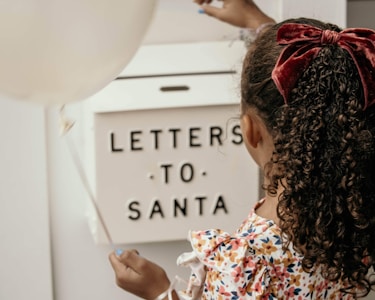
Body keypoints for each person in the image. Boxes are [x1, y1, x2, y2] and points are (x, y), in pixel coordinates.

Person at [108, 0, 375, 299]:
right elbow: (323, 82)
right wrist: (258, 23)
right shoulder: (359, 206)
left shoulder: (247, 264)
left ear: (250, 130)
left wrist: (159, 291)